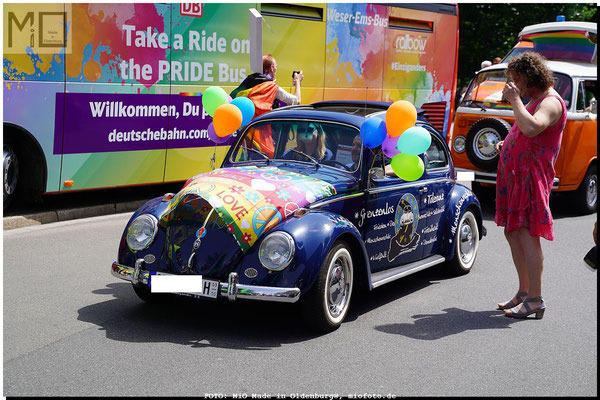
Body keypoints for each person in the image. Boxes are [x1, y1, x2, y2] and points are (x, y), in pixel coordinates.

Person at [494, 52, 567, 320]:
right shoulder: (535, 99)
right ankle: (524, 292)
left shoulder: (551, 102)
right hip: (516, 174)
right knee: (513, 233)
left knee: (527, 234)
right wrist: (509, 144)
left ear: (529, 76)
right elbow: (523, 131)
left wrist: (514, 101)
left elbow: (534, 127)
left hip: (530, 178)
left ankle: (535, 299)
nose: (515, 85)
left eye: (517, 80)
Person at [231, 54, 304, 158]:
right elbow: (296, 102)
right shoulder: (270, 87)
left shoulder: (248, 84)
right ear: (271, 68)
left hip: (249, 135)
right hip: (266, 138)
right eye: (276, 67)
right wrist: (297, 82)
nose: (276, 70)